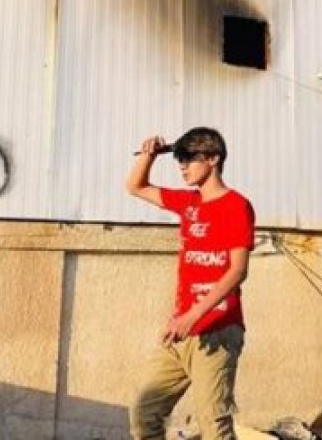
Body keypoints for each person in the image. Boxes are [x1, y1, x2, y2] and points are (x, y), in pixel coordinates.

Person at [126, 129, 256, 440]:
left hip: (217, 331)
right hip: (181, 332)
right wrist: (148, 155)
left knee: (213, 425)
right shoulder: (188, 202)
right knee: (144, 413)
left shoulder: (236, 206)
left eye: (189, 159)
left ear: (213, 159)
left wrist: (193, 315)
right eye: (178, 159)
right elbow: (135, 186)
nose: (182, 166)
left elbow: (238, 271)